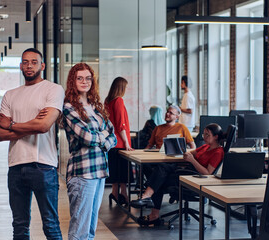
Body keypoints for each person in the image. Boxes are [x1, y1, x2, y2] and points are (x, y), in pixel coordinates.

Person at [0, 48, 63, 239]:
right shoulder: (10, 95)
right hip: (16, 167)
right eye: (25, 62)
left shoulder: (53, 89)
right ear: (20, 66)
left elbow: (44, 126)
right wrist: (32, 124)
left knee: (50, 224)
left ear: (42, 65)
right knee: (19, 226)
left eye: (33, 62)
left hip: (44, 166)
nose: (29, 65)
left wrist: (13, 125)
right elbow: (1, 133)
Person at [62, 63, 117, 240]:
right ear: (73, 81)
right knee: (80, 231)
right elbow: (87, 137)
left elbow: (113, 136)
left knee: (90, 230)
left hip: (100, 171)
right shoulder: (69, 107)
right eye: (79, 78)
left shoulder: (96, 107)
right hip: (82, 173)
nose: (84, 81)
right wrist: (103, 137)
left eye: (88, 78)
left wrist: (101, 137)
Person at [131, 123, 224, 226]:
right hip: (187, 172)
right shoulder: (206, 147)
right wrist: (181, 150)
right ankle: (149, 201)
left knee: (159, 178)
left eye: (207, 135)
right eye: (203, 134)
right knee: (160, 171)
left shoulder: (218, 152)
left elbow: (208, 173)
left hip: (195, 178)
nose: (204, 137)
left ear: (216, 137)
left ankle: (150, 205)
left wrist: (192, 161)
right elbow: (189, 153)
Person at [105, 77, 134, 205]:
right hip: (120, 143)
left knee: (116, 171)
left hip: (112, 142)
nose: (126, 90)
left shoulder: (108, 101)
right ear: (121, 87)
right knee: (123, 170)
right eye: (125, 87)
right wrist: (127, 143)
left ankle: (116, 193)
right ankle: (123, 194)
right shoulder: (118, 101)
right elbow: (121, 124)